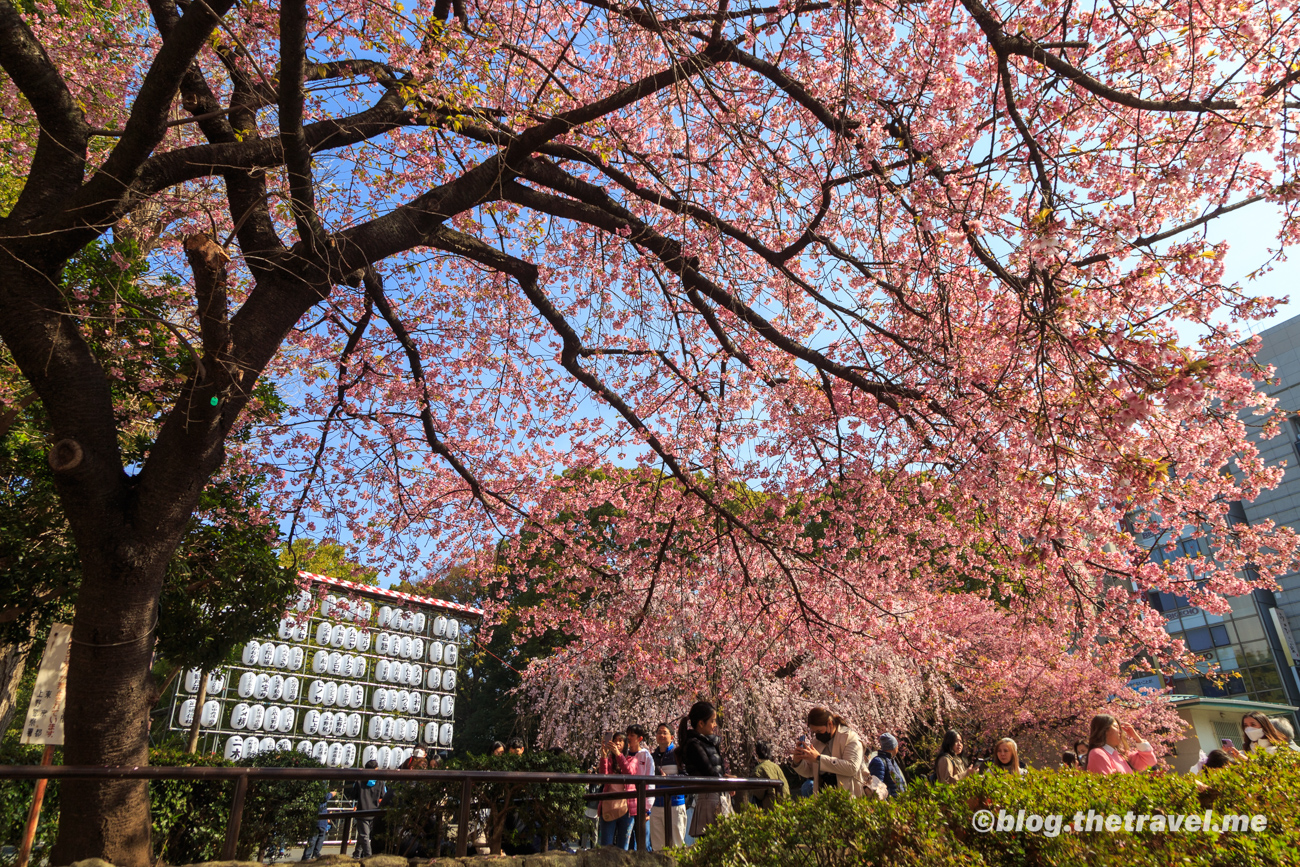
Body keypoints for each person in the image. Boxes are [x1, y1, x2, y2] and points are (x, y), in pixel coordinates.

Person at [678, 701, 732, 837]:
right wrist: (726, 781)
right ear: (701, 723)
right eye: (712, 721)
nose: (715, 725)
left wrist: (726, 778)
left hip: (718, 794)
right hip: (709, 796)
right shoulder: (694, 745)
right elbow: (708, 771)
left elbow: (715, 770)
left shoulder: (709, 742)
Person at [792, 707, 866, 796]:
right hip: (823, 795)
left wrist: (819, 758)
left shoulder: (849, 737)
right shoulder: (817, 742)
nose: (817, 735)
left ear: (830, 724)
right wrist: (798, 761)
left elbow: (852, 767)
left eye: (819, 731)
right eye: (814, 732)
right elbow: (810, 772)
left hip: (847, 794)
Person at [650, 722, 687, 850]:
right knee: (657, 847)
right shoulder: (653, 756)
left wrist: (669, 779)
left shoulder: (678, 754)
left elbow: (686, 777)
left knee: (676, 845)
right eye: (659, 732)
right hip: (656, 805)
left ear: (672, 737)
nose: (661, 735)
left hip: (675, 804)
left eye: (664, 732)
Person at [596, 731, 634, 848]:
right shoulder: (609, 760)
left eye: (620, 740)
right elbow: (604, 777)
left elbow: (629, 773)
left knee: (623, 847)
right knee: (606, 846)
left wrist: (618, 754)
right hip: (609, 805)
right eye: (615, 740)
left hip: (626, 807)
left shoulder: (631, 759)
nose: (617, 743)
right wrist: (604, 757)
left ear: (625, 744)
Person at [1084, 714, 1156, 775]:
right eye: (1116, 727)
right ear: (1104, 730)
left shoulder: (1122, 755)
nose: (1120, 732)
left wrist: (1137, 738)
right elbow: (1106, 784)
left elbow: (1150, 762)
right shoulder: (1098, 754)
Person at [623, 724, 655, 851]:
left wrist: (647, 808)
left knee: (643, 840)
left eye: (632, 735)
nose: (629, 738)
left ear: (639, 738)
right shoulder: (623, 755)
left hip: (641, 803)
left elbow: (650, 781)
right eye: (628, 735)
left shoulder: (645, 756)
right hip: (625, 803)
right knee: (627, 840)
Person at [351, 760, 387, 858]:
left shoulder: (359, 780)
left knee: (364, 835)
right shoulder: (380, 781)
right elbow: (383, 796)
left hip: (362, 811)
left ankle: (367, 856)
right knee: (364, 835)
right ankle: (358, 855)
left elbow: (353, 795)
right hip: (374, 811)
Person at [1232, 713, 1300, 755]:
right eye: (1246, 725)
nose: (1249, 729)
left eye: (1253, 724)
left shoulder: (1284, 751)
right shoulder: (1250, 748)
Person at [751, 741, 789, 809]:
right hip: (783, 807)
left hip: (769, 808)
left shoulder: (758, 770)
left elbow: (759, 794)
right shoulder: (776, 767)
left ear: (757, 753)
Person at [302, 789, 334, 860]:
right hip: (320, 813)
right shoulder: (321, 784)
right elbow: (324, 797)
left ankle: (312, 854)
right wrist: (331, 794)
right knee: (317, 835)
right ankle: (310, 855)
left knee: (318, 835)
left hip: (320, 813)